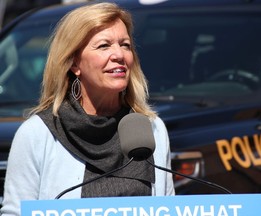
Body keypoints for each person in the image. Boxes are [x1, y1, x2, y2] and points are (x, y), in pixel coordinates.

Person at [0, 2, 175, 215]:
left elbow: (167, 208)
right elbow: (15, 212)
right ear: (74, 63)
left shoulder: (152, 129)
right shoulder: (38, 134)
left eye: (125, 45)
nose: (119, 55)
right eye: (104, 45)